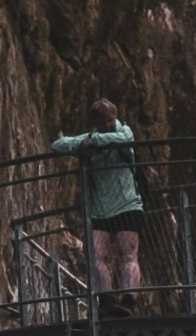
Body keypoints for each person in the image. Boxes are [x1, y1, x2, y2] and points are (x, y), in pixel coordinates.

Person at [51, 99, 144, 297]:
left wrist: (94, 142)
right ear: (96, 124)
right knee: (95, 256)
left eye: (109, 121)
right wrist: (84, 142)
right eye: (102, 124)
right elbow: (58, 145)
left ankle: (129, 298)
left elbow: (124, 140)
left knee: (128, 254)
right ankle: (107, 299)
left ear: (115, 117)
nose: (107, 126)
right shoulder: (92, 137)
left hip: (127, 205)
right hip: (100, 210)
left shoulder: (124, 132)